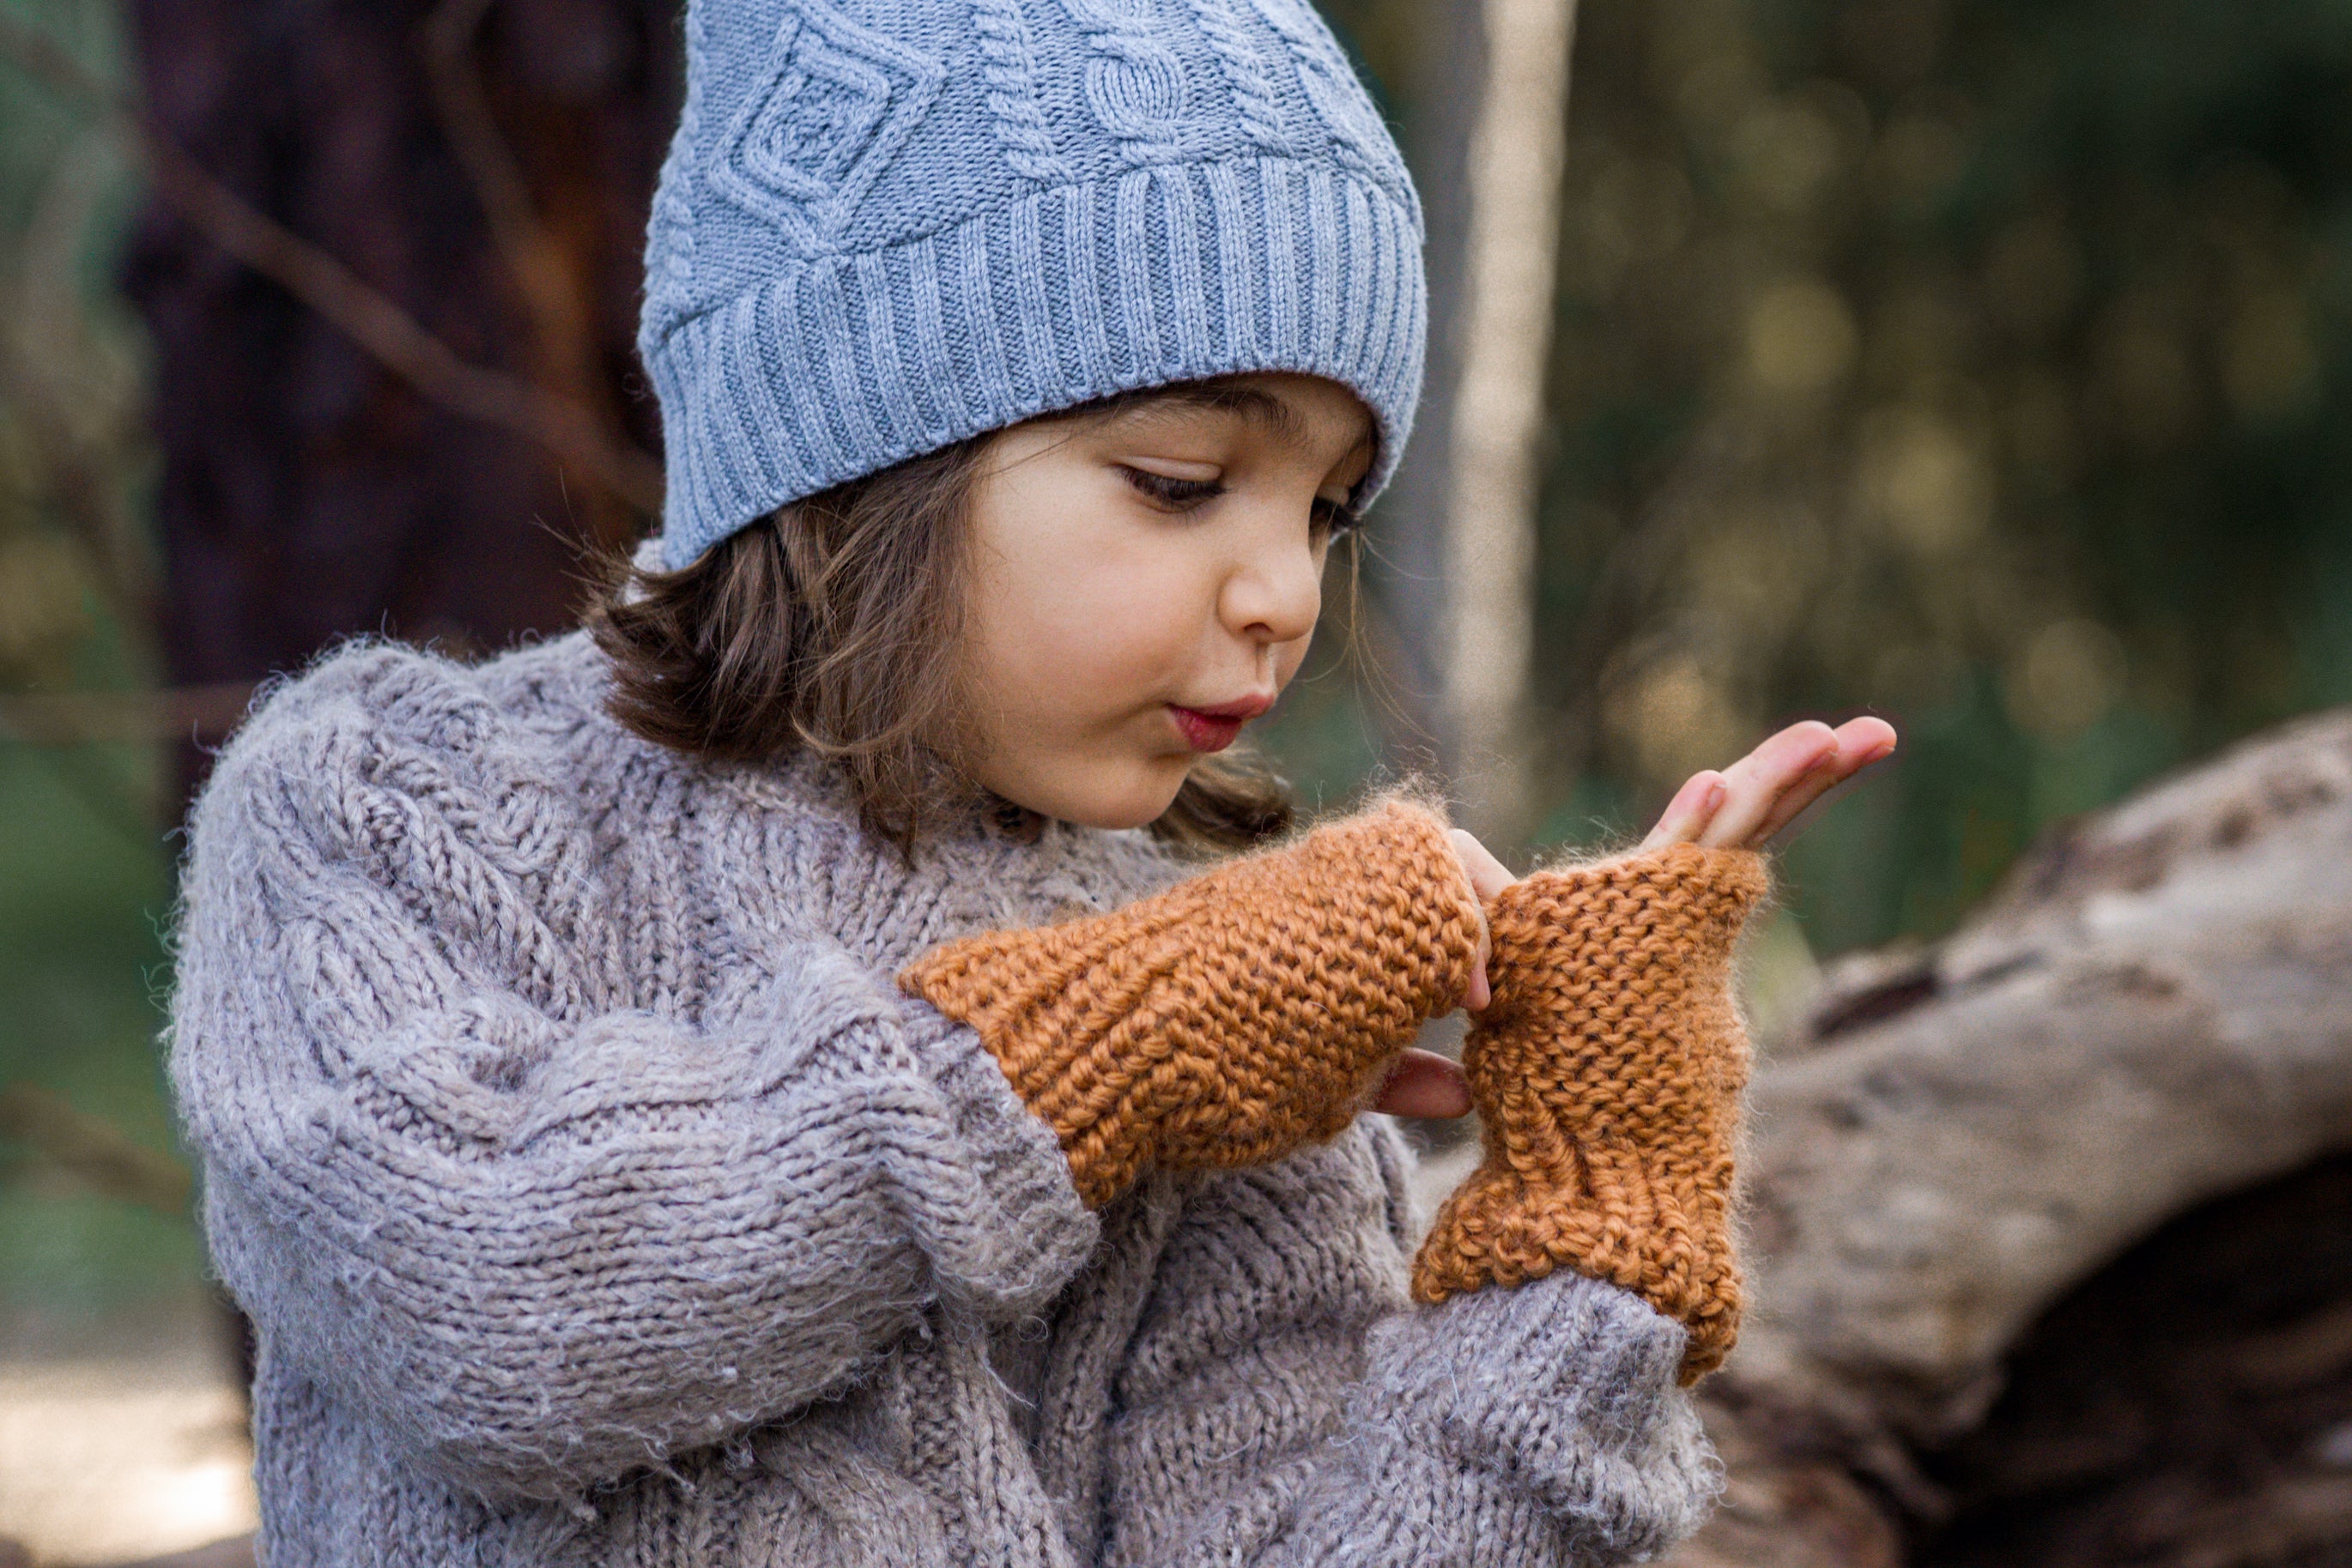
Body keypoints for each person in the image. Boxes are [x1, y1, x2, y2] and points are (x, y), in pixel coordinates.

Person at [167, 2, 1896, 1563]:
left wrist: (1588, 1240)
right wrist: (1086, 1054)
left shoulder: (1240, 1035)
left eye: (1322, 510)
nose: (1284, 590)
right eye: (1177, 477)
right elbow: (479, 1303)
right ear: (854, 431)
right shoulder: (387, 800)